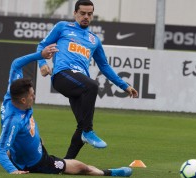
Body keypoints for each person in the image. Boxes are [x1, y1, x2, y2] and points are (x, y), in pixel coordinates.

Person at [37, 0, 138, 159]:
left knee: (81, 124)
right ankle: (89, 132)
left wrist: (124, 85)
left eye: (89, 14)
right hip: (62, 75)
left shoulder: (94, 40)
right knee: (92, 87)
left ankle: (67, 163)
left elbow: (104, 66)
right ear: (75, 13)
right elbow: (41, 45)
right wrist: (42, 63)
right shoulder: (62, 27)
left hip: (79, 82)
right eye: (82, 13)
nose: (86, 16)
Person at [0, 73, 132, 176]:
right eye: (32, 95)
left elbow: (16, 63)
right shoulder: (13, 121)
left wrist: (40, 56)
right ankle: (108, 173)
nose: (34, 97)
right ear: (23, 99)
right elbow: (0, 151)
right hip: (38, 164)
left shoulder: (16, 102)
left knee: (14, 146)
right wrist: (13, 171)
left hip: (34, 153)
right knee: (79, 167)